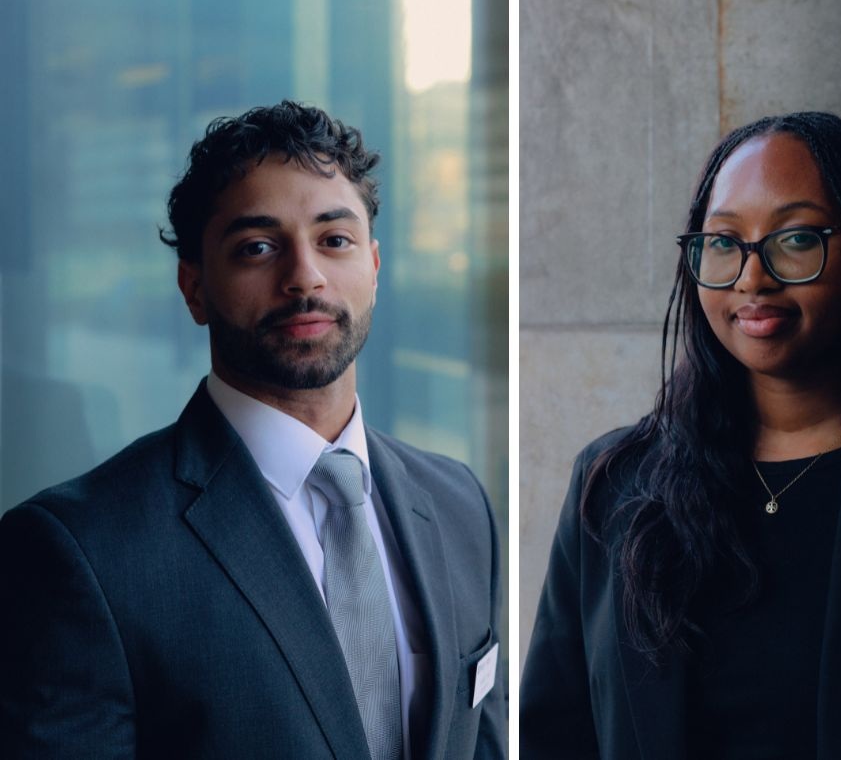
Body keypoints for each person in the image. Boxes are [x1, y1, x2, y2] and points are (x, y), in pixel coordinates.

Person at [0, 101, 507, 759]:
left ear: (374, 268)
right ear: (194, 288)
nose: (305, 277)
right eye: (258, 248)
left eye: (334, 239)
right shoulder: (78, 551)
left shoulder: (460, 504)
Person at [519, 111, 841, 759]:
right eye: (725, 242)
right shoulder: (614, 483)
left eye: (794, 240)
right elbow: (552, 737)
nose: (752, 279)